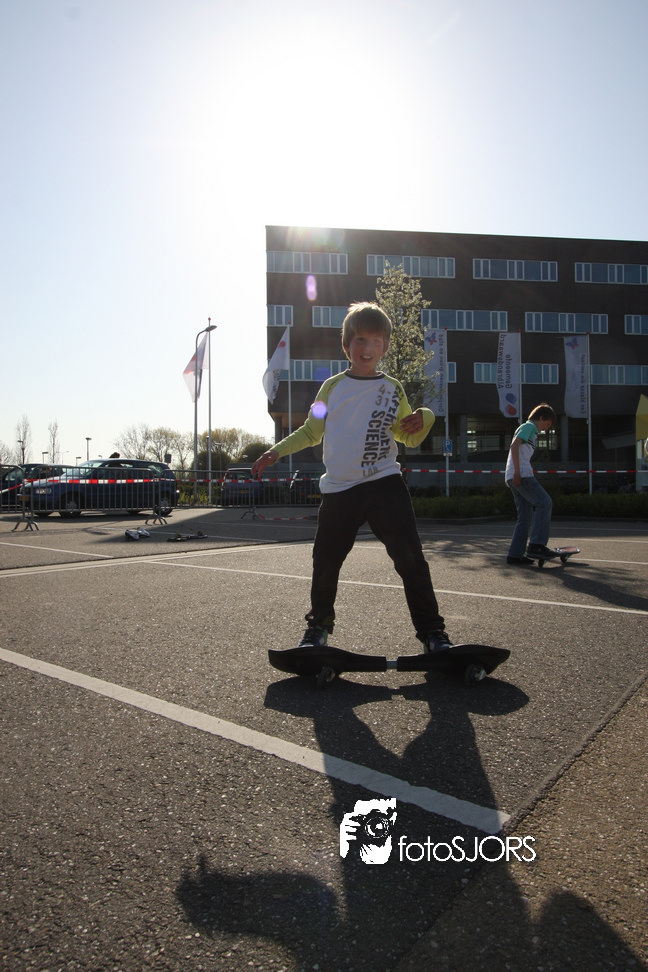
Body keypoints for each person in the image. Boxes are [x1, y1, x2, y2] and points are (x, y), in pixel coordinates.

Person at [252, 302, 452, 653]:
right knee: (325, 562)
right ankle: (318, 630)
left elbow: (408, 436)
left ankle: (433, 634)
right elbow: (311, 432)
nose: (367, 347)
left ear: (385, 346)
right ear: (346, 346)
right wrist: (276, 451)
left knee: (411, 560)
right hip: (340, 490)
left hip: (385, 484)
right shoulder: (331, 388)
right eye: (360, 339)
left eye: (376, 340)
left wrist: (427, 416)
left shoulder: (394, 388)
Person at [505, 403, 557, 565]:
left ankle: (515, 555)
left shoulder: (530, 431)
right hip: (522, 475)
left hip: (515, 475)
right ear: (541, 418)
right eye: (547, 424)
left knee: (525, 517)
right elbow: (514, 446)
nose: (546, 429)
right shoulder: (529, 426)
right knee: (545, 502)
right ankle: (537, 545)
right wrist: (517, 471)